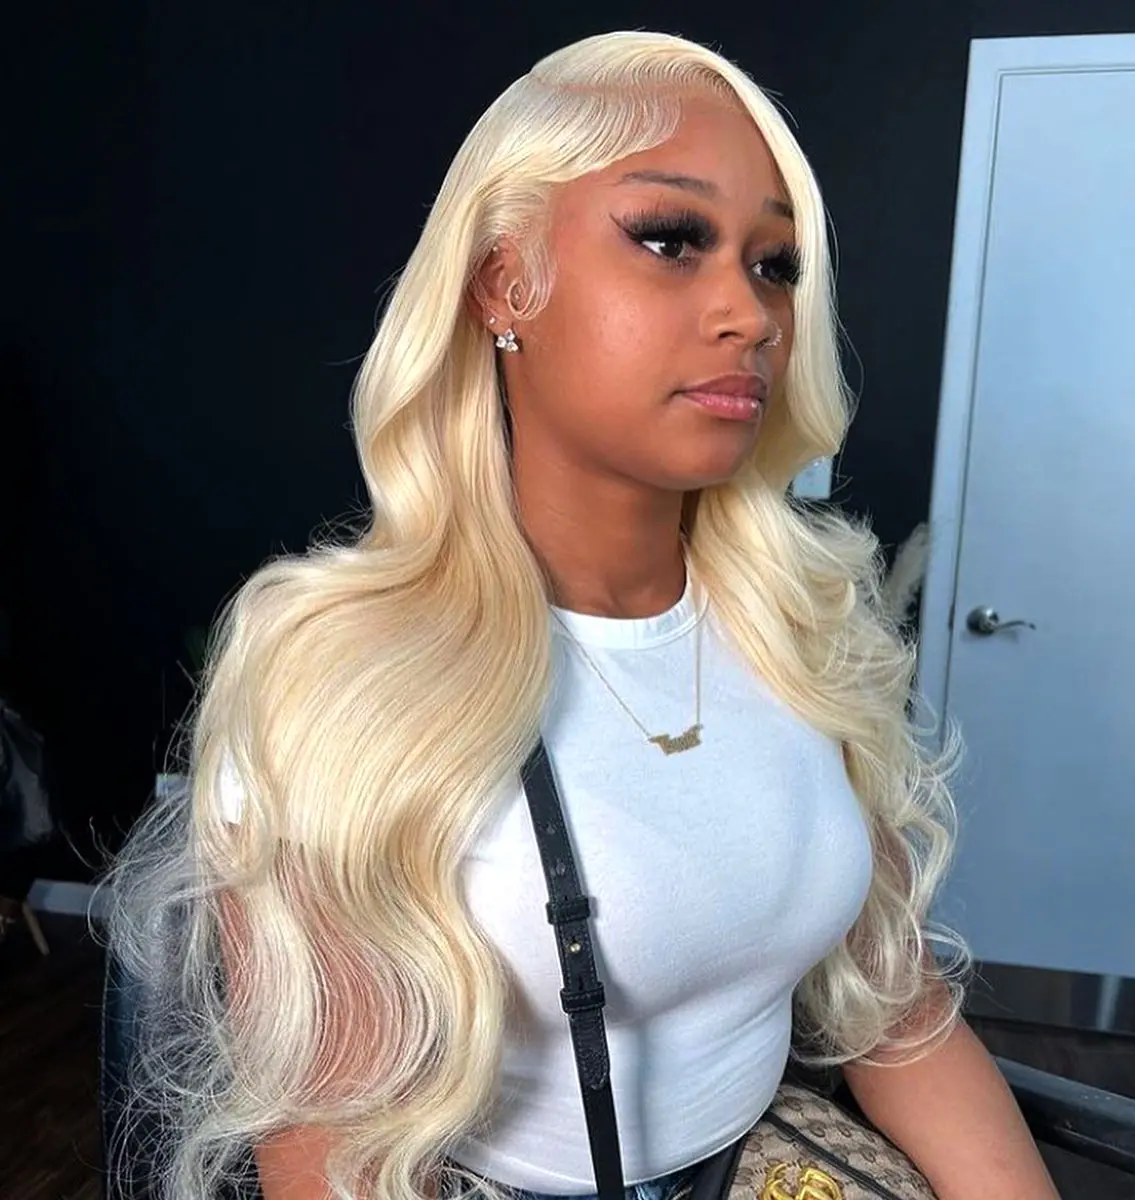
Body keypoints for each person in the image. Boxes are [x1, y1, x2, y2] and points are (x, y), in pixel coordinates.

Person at [100, 29, 1060, 1200]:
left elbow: (896, 1016)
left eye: (774, 264)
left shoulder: (803, 624)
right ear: (505, 283)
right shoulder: (339, 678)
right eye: (670, 239)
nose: (751, 314)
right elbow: (333, 1156)